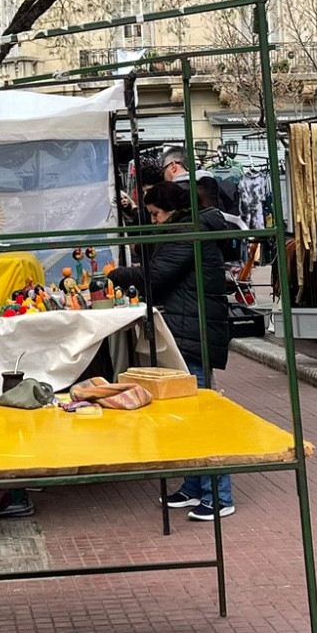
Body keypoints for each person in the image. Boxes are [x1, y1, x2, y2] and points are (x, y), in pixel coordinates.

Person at [108, 180, 234, 521]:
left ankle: (220, 495)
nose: (154, 221)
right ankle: (194, 487)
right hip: (185, 327)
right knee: (183, 414)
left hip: (192, 330)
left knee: (200, 414)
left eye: (154, 215)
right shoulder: (182, 227)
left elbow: (157, 273)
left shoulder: (186, 231)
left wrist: (114, 275)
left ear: (170, 210)